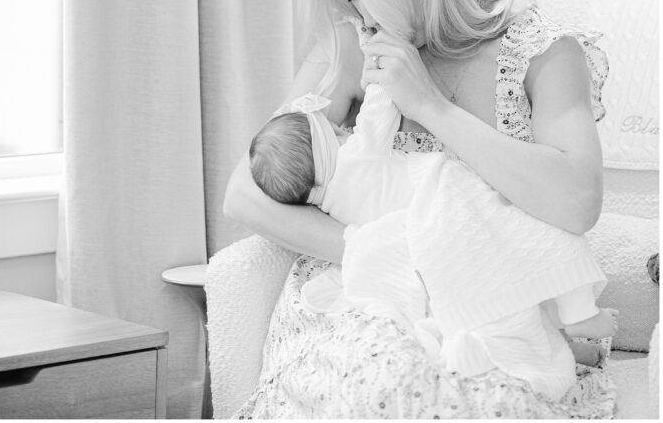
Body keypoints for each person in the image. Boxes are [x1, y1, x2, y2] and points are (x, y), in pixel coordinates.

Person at [224, 0, 614, 419]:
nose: (357, 14)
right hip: (364, 301)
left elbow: (578, 203)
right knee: (375, 384)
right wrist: (402, 256)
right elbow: (244, 191)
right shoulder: (352, 45)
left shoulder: (541, 53)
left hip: (489, 316)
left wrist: (430, 106)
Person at [248, 76, 617, 401]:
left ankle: (514, 353)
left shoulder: (328, 205)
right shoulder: (359, 152)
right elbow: (382, 107)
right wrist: (379, 73)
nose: (342, 128)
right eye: (332, 129)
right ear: (327, 142)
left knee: (502, 308)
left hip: (432, 257)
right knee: (535, 230)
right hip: (450, 210)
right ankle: (577, 309)